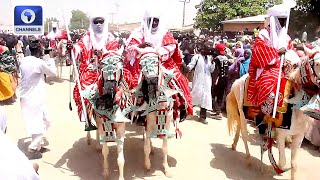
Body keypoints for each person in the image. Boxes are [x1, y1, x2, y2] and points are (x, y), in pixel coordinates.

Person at [124, 6, 193, 121]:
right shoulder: (137, 33)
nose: (154, 23)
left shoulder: (165, 33)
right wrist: (142, 51)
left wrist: (156, 54)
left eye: (156, 20)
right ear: (146, 21)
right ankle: (134, 110)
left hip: (163, 62)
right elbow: (131, 48)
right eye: (151, 20)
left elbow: (170, 47)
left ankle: (180, 108)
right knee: (132, 82)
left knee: (179, 79)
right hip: (142, 63)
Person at [72, 10, 120, 131]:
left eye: (101, 21)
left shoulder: (110, 37)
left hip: (108, 69)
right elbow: (78, 49)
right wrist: (72, 48)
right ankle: (87, 117)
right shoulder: (86, 37)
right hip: (91, 70)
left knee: (123, 87)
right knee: (82, 90)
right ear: (92, 23)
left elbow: (114, 53)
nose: (98, 24)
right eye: (96, 21)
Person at [247, 5, 293, 116]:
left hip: (282, 68)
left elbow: (291, 51)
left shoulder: (286, 37)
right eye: (281, 20)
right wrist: (277, 52)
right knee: (268, 81)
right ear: (275, 20)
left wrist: (287, 58)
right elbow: (259, 53)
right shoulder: (263, 34)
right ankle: (263, 111)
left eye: (284, 20)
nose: (283, 22)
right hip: (265, 68)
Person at [19, 37, 56, 158]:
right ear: (39, 50)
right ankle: (33, 148)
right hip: (34, 98)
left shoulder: (23, 61)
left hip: (27, 97)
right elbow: (52, 73)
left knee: (44, 120)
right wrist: (50, 59)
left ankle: (38, 145)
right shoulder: (39, 63)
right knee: (39, 123)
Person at [187, 41, 215, 124]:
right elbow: (191, 66)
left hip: (206, 81)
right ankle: (188, 112)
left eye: (209, 50)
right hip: (198, 80)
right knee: (194, 95)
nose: (209, 51)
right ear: (203, 49)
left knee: (205, 98)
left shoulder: (209, 59)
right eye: (207, 49)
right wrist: (186, 67)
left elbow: (211, 70)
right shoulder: (197, 57)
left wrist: (213, 63)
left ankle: (202, 117)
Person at [212, 43, 230, 119]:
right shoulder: (226, 58)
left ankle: (218, 111)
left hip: (219, 79)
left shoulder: (216, 59)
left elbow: (216, 71)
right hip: (225, 79)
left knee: (212, 94)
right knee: (220, 95)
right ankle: (217, 111)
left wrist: (213, 81)